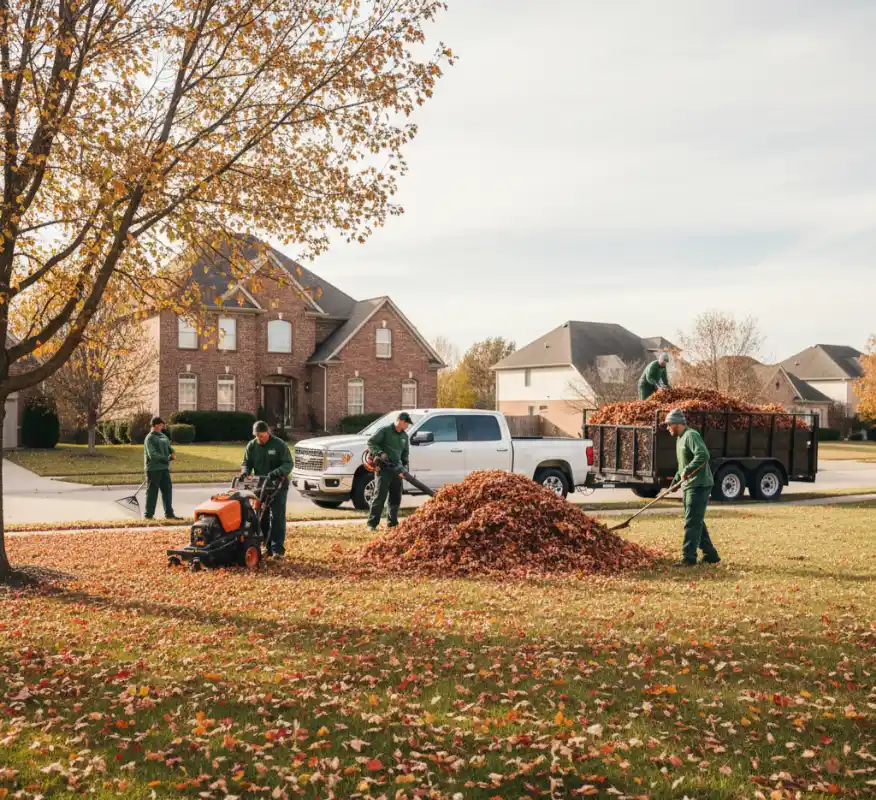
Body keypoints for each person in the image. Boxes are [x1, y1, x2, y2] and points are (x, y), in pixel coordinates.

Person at [665, 409, 721, 567]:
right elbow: (682, 466)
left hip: (699, 484)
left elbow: (703, 455)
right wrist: (674, 483)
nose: (668, 428)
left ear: (677, 424)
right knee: (696, 519)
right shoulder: (680, 439)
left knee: (691, 521)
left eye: (669, 425)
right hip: (689, 485)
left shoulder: (691, 435)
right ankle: (711, 555)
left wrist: (688, 470)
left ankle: (688, 558)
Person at [241, 420, 293, 559]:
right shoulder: (252, 446)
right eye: (257, 436)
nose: (260, 438)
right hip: (261, 485)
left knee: (277, 517)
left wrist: (277, 472)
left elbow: (288, 463)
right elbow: (246, 462)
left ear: (268, 432)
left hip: (278, 485)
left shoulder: (279, 445)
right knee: (261, 516)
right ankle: (266, 547)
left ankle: (277, 550)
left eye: (262, 436)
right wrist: (245, 472)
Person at [366, 412, 413, 531]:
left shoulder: (404, 436)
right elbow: (371, 442)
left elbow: (405, 453)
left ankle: (392, 523)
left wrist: (405, 467)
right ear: (401, 421)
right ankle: (372, 524)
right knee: (379, 496)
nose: (407, 426)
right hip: (383, 468)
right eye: (407, 423)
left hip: (397, 469)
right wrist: (380, 453)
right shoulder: (385, 431)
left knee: (395, 497)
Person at [143, 416, 181, 520]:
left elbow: (169, 448)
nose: (162, 427)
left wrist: (172, 452)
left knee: (167, 490)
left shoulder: (163, 436)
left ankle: (169, 514)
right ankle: (148, 515)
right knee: (152, 492)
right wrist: (166, 458)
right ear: (155, 425)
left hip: (164, 468)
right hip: (153, 469)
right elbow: (152, 455)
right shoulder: (150, 438)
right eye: (160, 425)